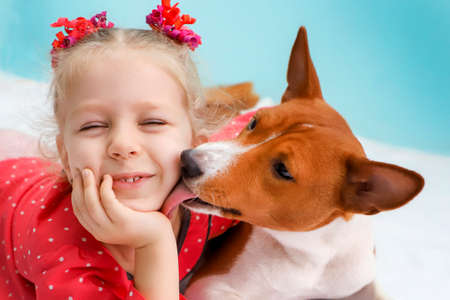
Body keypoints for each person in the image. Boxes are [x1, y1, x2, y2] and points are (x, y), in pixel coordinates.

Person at [0, 2, 238, 299]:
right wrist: (155, 241)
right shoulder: (64, 251)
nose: (123, 146)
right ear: (64, 153)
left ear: (198, 144)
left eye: (152, 121)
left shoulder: (208, 203)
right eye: (93, 126)